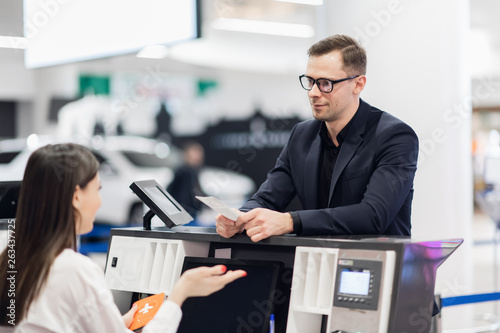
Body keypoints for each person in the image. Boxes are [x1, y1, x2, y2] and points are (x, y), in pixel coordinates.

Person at [0, 143, 246, 332]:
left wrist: (117, 322)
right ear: (76, 196)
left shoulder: (11, 260)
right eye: (97, 190)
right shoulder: (75, 269)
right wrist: (180, 293)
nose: (99, 201)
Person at [216, 34, 419, 243]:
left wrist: (291, 221)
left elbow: (373, 215)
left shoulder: (395, 136)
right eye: (310, 81)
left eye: (325, 83)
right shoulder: (302, 135)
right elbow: (268, 198)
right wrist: (240, 217)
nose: (313, 92)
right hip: (316, 264)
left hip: (378, 267)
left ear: (358, 84)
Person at [167, 141, 205, 219]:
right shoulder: (183, 171)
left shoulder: (195, 171)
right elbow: (172, 189)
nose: (198, 156)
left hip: (192, 211)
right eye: (195, 153)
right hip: (184, 210)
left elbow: (197, 190)